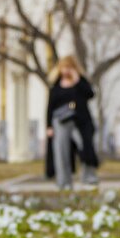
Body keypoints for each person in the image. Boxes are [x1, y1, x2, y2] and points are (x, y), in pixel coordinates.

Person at [45, 55, 99, 190]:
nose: (66, 71)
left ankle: (88, 176)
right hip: (60, 122)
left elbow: (90, 94)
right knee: (61, 151)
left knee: (85, 146)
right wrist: (49, 126)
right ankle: (64, 182)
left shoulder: (80, 82)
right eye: (64, 68)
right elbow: (50, 107)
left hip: (79, 121)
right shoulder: (56, 86)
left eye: (69, 68)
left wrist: (77, 80)